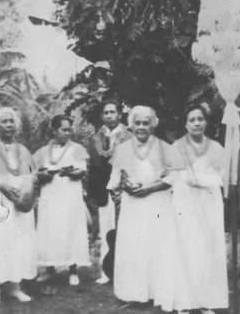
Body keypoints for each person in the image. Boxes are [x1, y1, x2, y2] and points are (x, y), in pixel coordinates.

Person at [154, 106, 228, 314]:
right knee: (186, 247)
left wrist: (202, 181)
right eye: (192, 120)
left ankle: (206, 301)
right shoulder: (176, 147)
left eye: (200, 119)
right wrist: (186, 179)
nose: (196, 123)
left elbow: (222, 177)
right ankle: (184, 302)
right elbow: (172, 176)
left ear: (206, 122)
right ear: (185, 124)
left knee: (208, 249)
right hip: (185, 201)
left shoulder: (216, 147)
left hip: (210, 201)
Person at [105, 105, 174, 304]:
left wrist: (150, 188)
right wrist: (123, 187)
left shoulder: (165, 148)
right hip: (132, 205)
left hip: (157, 204)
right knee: (133, 246)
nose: (142, 127)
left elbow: (173, 177)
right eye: (137, 123)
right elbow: (114, 179)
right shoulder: (122, 149)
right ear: (131, 125)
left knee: (155, 245)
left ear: (153, 125)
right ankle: (134, 295)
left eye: (146, 123)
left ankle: (156, 294)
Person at [0, 107, 37, 304]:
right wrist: (0, 184)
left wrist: (25, 191)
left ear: (17, 126)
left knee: (18, 242)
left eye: (11, 121)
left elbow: (32, 175)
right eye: (4, 121)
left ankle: (15, 286)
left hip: (19, 203)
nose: (8, 125)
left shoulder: (23, 150)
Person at [34, 115, 90, 286]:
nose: (67, 133)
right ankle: (49, 269)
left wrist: (68, 173)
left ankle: (73, 270)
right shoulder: (43, 151)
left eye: (69, 129)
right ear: (54, 130)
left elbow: (81, 172)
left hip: (70, 196)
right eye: (64, 129)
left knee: (71, 229)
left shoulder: (77, 148)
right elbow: (35, 173)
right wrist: (43, 175)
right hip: (50, 196)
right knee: (49, 230)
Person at [87, 100, 131, 284]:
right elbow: (92, 167)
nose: (110, 116)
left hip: (124, 189)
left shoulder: (129, 136)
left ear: (119, 115)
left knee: (126, 230)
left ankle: (127, 272)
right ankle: (106, 272)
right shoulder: (96, 138)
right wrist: (92, 193)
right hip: (103, 191)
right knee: (106, 229)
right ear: (102, 116)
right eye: (106, 113)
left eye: (113, 112)